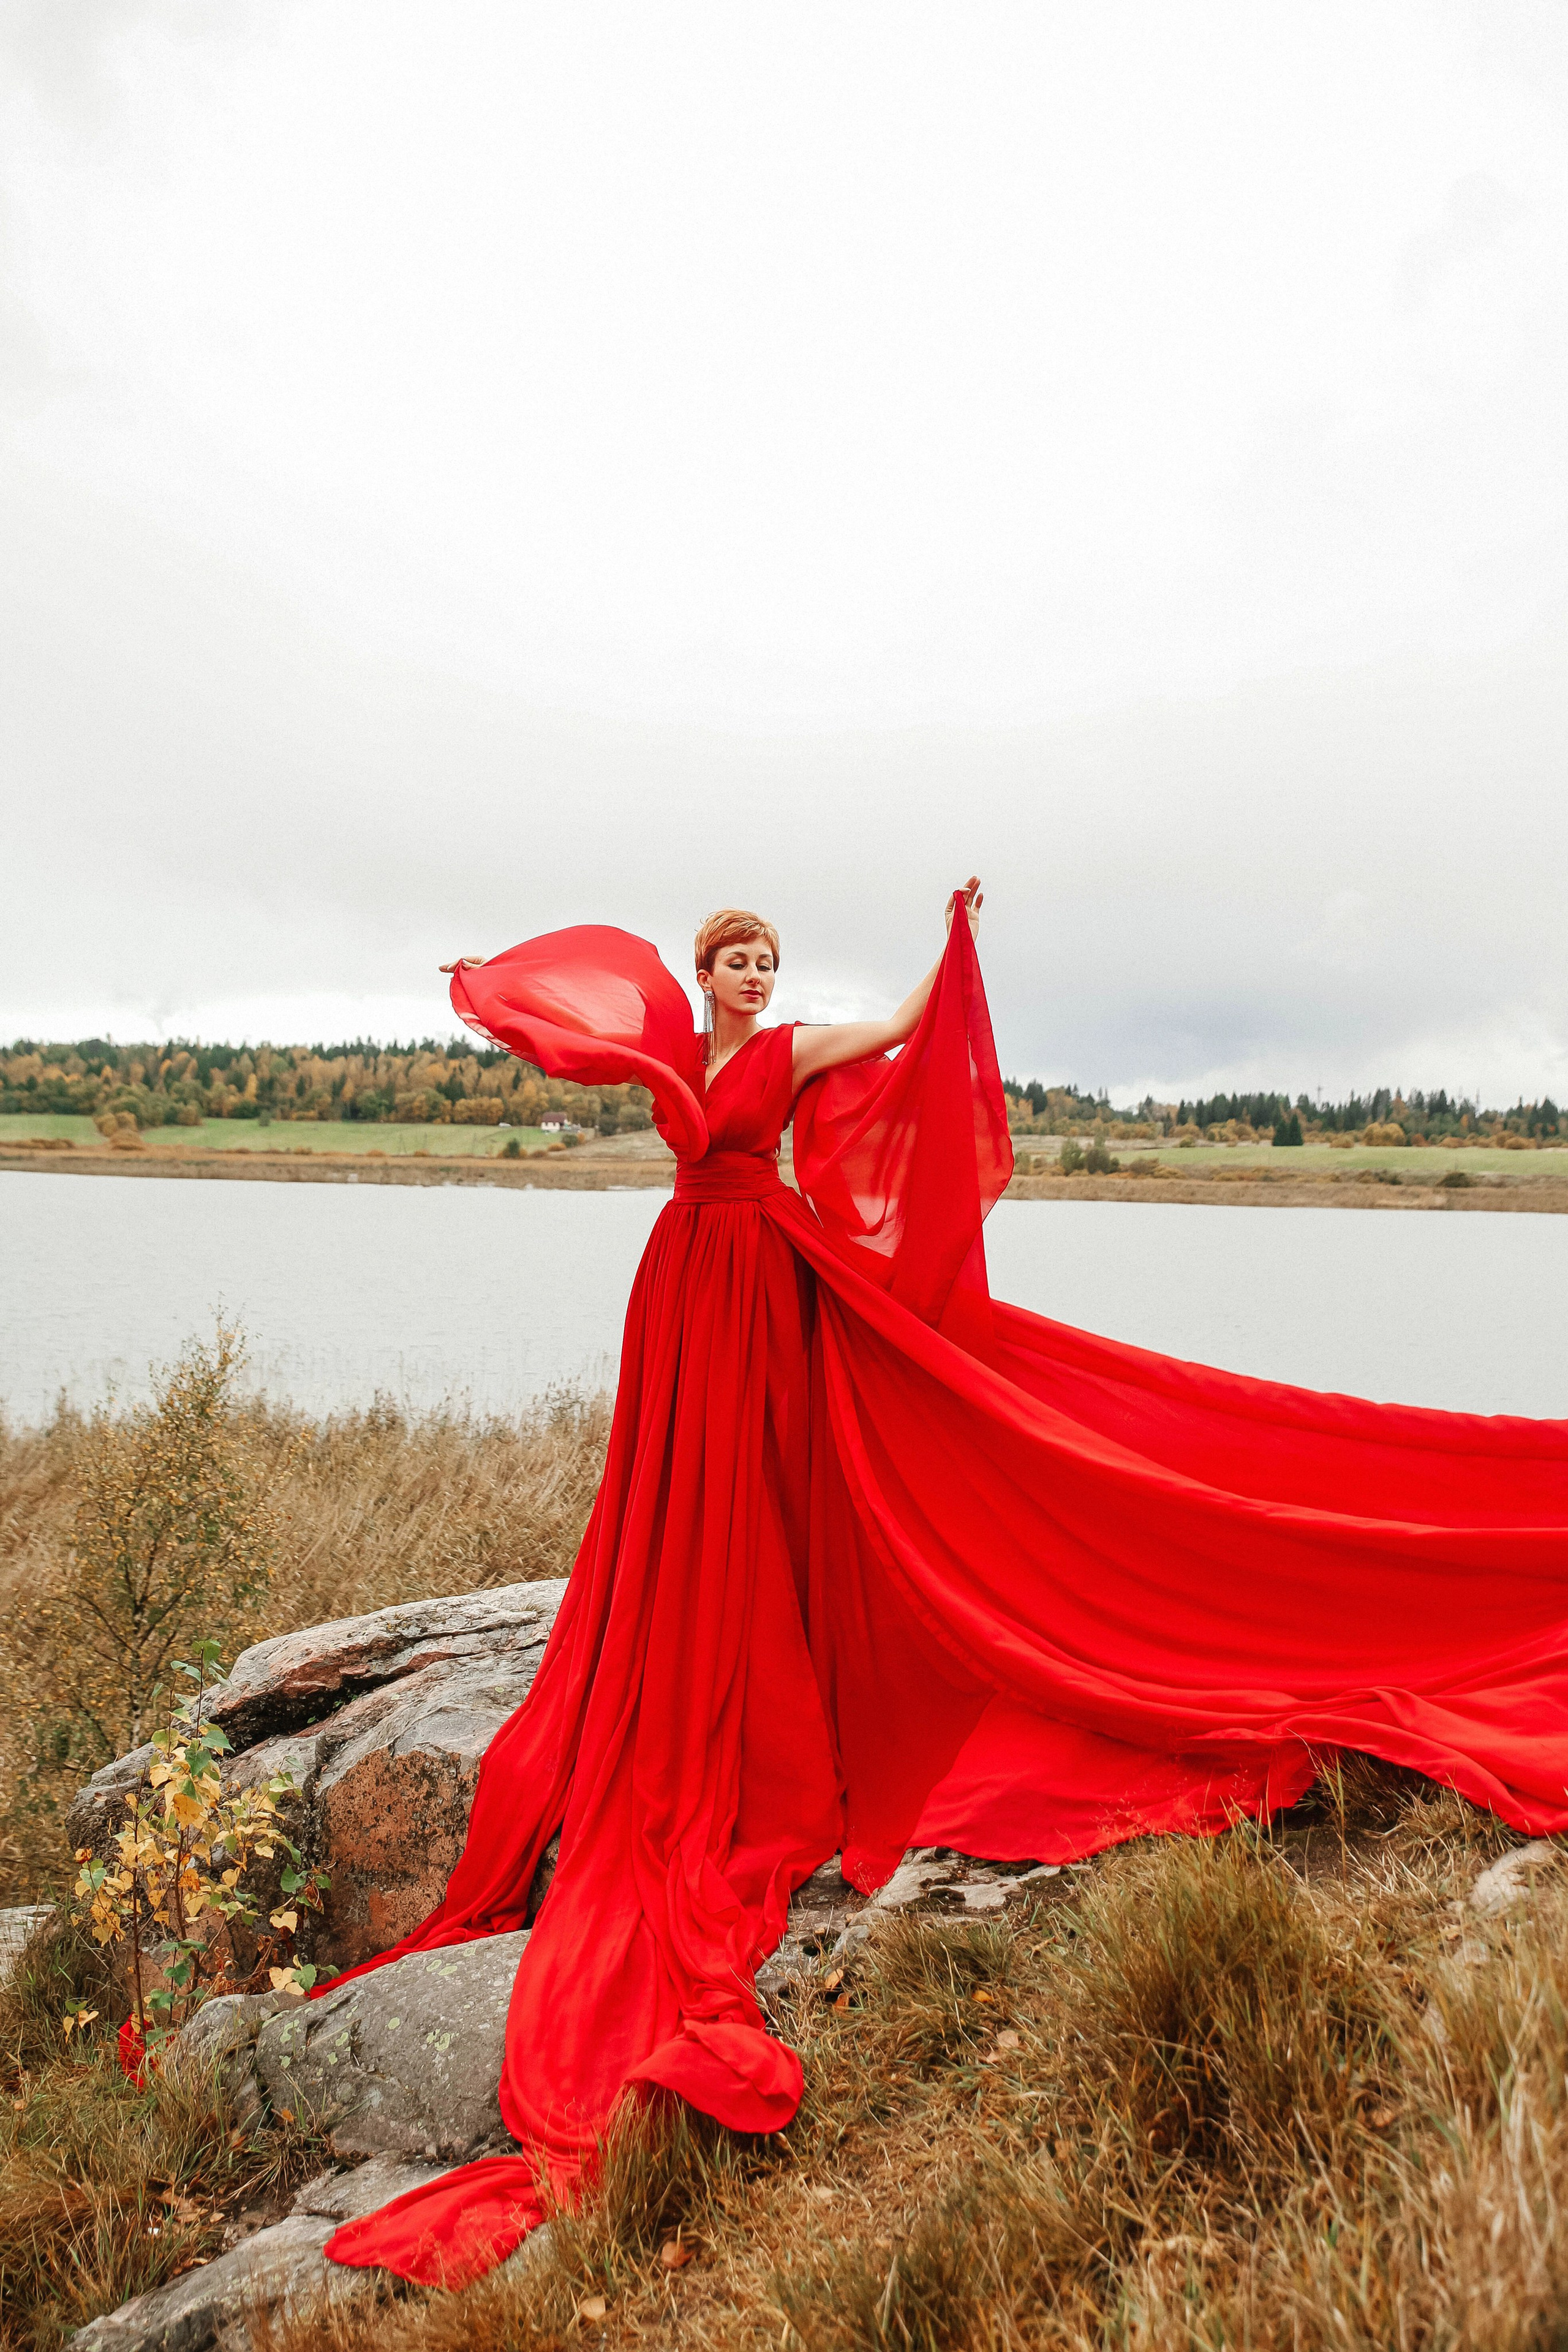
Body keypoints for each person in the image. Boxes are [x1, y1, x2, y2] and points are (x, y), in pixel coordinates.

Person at [322, 887, 1568, 2288]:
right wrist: (496, 993)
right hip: (683, 1277)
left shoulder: (785, 1052)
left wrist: (951, 942)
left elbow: (906, 1029)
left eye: (765, 958)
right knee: (688, 1489)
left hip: (762, 1277)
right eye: (735, 957)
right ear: (701, 968)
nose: (752, 971)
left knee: (796, 1472)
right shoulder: (677, 1049)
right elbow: (578, 1033)